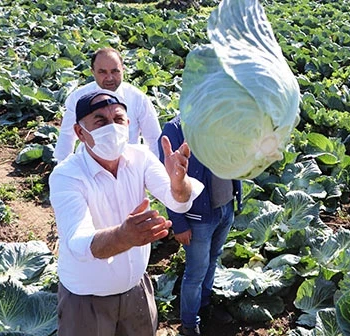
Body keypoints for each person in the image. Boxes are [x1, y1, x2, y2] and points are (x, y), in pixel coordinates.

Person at [49, 89, 204, 336]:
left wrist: (178, 183)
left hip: (136, 289)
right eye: (100, 122)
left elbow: (178, 201)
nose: (112, 127)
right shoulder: (67, 176)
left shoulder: (139, 156)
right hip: (87, 299)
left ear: (128, 123)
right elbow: (78, 243)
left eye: (118, 120)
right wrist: (124, 236)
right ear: (80, 133)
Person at [159, 116, 243, 336]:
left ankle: (204, 306)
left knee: (213, 258)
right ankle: (189, 323)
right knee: (195, 272)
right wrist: (178, 222)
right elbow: (167, 181)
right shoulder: (175, 129)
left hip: (225, 208)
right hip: (198, 217)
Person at [54, 47, 162, 162]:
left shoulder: (138, 99)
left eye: (115, 71)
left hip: (128, 166)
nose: (109, 78)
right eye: (102, 72)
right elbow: (67, 137)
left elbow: (154, 140)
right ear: (93, 72)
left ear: (123, 70)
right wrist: (63, 170)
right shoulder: (77, 98)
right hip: (90, 167)